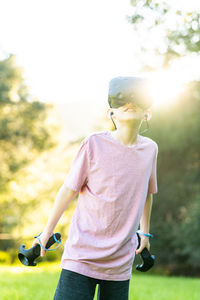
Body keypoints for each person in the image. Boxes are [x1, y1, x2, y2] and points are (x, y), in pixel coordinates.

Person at [32, 76, 158, 300]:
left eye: (137, 101)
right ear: (112, 113)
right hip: (82, 255)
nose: (129, 103)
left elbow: (147, 193)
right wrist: (46, 231)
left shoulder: (150, 149)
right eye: (121, 101)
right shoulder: (94, 143)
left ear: (147, 113)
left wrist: (144, 234)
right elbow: (68, 190)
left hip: (120, 259)